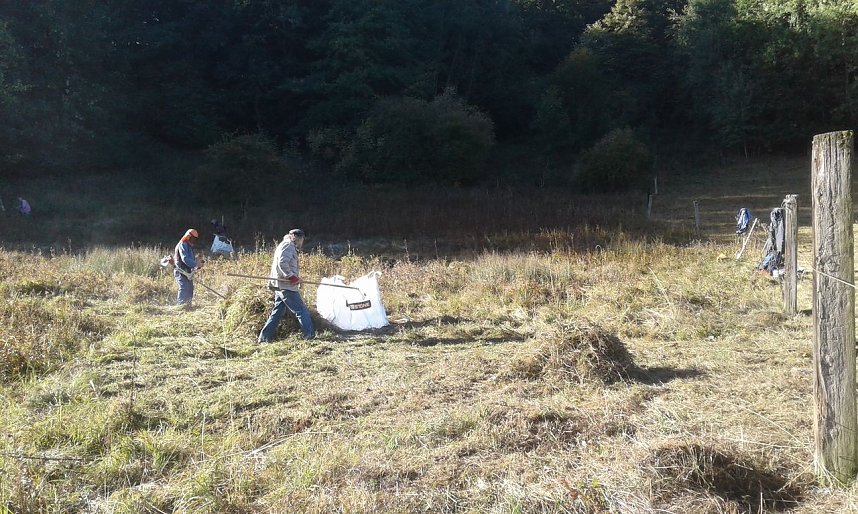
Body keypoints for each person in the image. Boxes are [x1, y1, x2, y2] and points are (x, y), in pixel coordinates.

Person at [258, 229, 316, 342]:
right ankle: (310, 335)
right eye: (302, 240)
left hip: (280, 284)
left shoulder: (285, 244)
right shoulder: (288, 245)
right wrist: (291, 277)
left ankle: (264, 338)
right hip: (285, 285)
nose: (302, 243)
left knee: (277, 312)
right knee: (301, 311)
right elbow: (282, 263)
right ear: (298, 238)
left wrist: (296, 277)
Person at [173, 228, 201, 307]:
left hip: (187, 270)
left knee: (190, 288)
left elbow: (190, 259)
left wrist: (197, 262)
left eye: (195, 239)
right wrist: (195, 264)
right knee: (184, 288)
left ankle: (188, 305)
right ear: (188, 237)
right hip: (181, 270)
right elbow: (185, 258)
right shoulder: (183, 244)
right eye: (193, 239)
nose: (193, 241)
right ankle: (181, 306)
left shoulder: (188, 246)